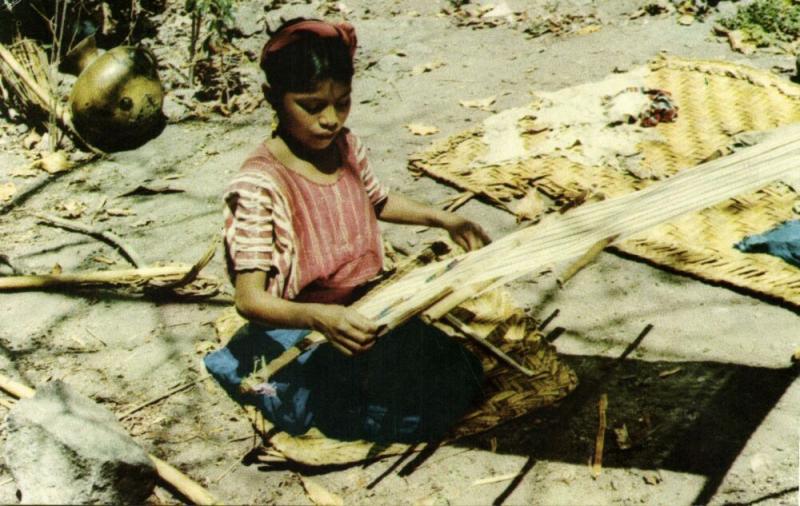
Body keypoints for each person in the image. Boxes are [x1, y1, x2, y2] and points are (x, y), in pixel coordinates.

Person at [204, 18, 490, 443]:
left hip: (360, 309)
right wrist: (320, 316)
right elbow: (249, 298)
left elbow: (377, 201)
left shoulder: (345, 148)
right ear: (273, 98)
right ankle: (256, 373)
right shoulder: (259, 186)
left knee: (461, 375)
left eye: (342, 102)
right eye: (312, 105)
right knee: (371, 414)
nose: (330, 120)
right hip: (301, 323)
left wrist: (445, 218)